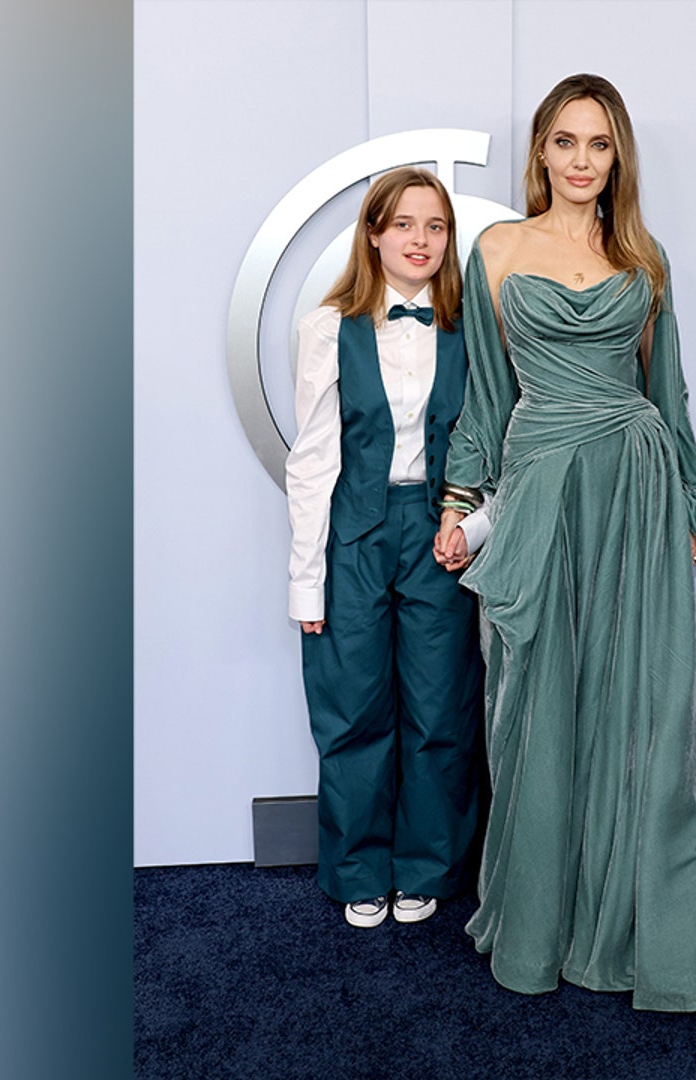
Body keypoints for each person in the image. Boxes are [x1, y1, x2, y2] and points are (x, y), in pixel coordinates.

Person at [433, 74, 696, 1022]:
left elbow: (669, 394)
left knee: (640, 704)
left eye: (598, 145)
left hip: (635, 489)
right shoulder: (495, 249)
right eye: (565, 142)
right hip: (539, 492)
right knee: (533, 700)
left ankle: (638, 907)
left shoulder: (643, 258)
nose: (580, 161)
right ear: (540, 152)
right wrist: (460, 501)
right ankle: (544, 917)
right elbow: (487, 399)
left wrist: (692, 499)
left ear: (618, 158)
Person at [287, 167, 485, 929]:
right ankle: (358, 868)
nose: (420, 240)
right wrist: (306, 583)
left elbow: (495, 444)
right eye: (403, 224)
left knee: (439, 710)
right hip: (354, 532)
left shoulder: (475, 328)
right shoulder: (328, 327)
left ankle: (427, 865)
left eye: (434, 227)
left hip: (440, 534)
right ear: (373, 233)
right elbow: (309, 460)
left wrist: (473, 524)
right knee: (352, 709)